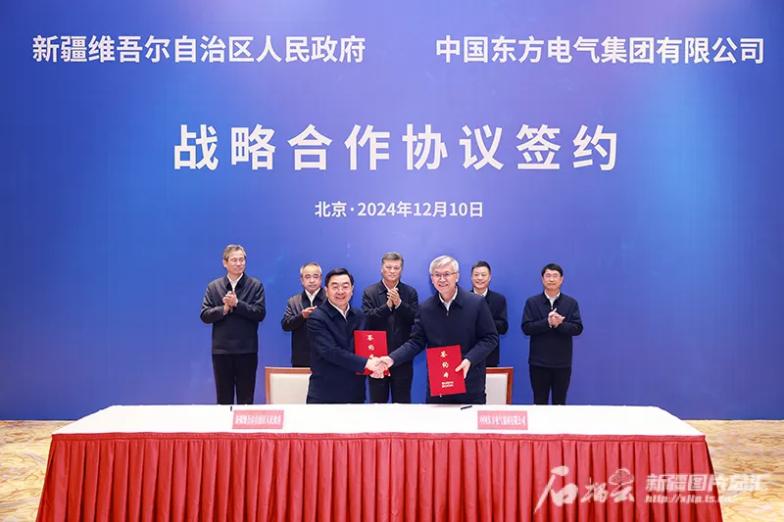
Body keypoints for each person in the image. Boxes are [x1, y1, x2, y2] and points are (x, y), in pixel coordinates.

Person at [378, 255, 498, 404]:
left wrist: (469, 359)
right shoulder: (425, 308)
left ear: (457, 276)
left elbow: (490, 338)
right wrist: (391, 358)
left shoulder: (476, 303)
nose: (442, 279)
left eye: (447, 274)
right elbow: (415, 342)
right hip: (438, 387)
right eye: (437, 275)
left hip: (470, 383)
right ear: (432, 279)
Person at [200, 244, 266, 404]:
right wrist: (223, 309)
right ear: (225, 263)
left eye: (242, 260)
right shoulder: (214, 287)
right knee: (223, 399)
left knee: (246, 399)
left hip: (247, 350)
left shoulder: (255, 285)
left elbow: (260, 313)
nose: (239, 263)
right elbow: (204, 315)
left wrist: (237, 304)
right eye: (234, 260)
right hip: (222, 351)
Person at [306, 268, 384, 403]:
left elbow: (364, 349)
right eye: (335, 286)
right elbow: (330, 351)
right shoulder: (316, 318)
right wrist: (367, 364)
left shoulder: (360, 316)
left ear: (352, 290)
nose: (340, 291)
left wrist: (374, 369)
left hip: (356, 394)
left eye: (345, 286)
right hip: (325, 396)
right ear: (326, 290)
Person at [522, 263, 583, 405]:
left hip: (562, 363)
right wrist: (547, 322)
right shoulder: (532, 302)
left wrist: (560, 324)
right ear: (542, 279)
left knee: (559, 403)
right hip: (538, 363)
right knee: (539, 402)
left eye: (555, 276)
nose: (551, 279)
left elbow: (578, 328)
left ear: (561, 279)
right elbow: (526, 328)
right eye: (548, 276)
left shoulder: (571, 303)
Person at [362, 252, 419, 403]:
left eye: (396, 268)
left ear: (401, 269)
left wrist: (399, 304)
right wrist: (387, 307)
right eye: (388, 267)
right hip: (377, 359)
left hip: (402, 358)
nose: (392, 271)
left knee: (402, 404)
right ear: (382, 269)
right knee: (377, 403)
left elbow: (415, 320)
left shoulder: (410, 292)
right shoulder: (370, 292)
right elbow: (367, 320)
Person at [281, 262, 326, 367]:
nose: (312, 280)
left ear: (320, 279)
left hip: (326, 358)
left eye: (315, 276)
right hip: (301, 359)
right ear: (302, 280)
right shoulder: (294, 301)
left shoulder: (330, 300)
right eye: (307, 277)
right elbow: (285, 325)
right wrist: (302, 316)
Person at [470, 261, 508, 367]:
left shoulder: (499, 299)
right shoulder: (463, 299)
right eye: (476, 275)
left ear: (490, 277)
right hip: (468, 355)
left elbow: (503, 327)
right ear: (471, 277)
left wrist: (482, 322)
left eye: (483, 275)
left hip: (490, 355)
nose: (480, 278)